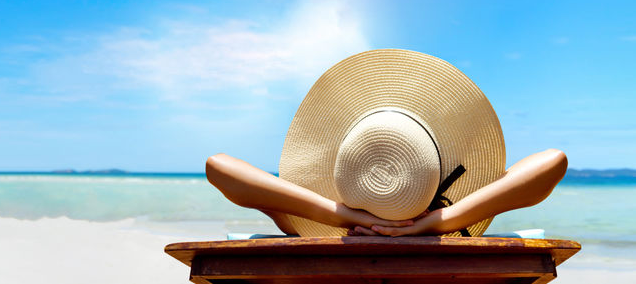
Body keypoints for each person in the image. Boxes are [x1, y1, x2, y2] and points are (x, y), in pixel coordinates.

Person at [205, 148, 568, 237]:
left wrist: (340, 216)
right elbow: (553, 161)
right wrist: (442, 221)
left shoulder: (305, 217)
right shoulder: (459, 210)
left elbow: (218, 165)